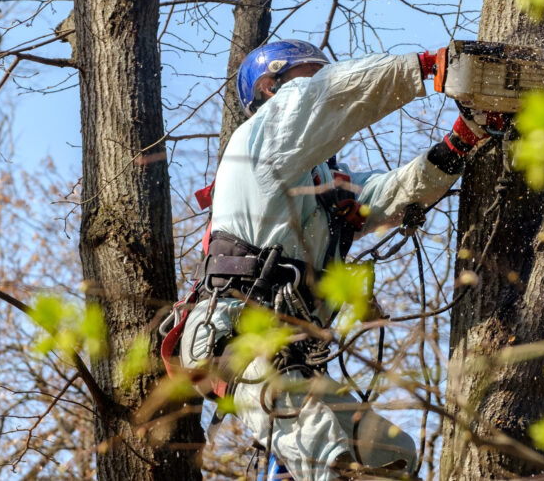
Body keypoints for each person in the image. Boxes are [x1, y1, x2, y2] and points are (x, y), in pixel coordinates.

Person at [179, 40, 497, 480]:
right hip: (238, 337)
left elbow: (393, 194)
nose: (323, 80)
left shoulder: (322, 182)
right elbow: (328, 95)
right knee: (326, 454)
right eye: (310, 74)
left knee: (390, 454)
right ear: (271, 88)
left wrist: (465, 137)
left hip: (292, 351)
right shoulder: (259, 141)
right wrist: (428, 68)